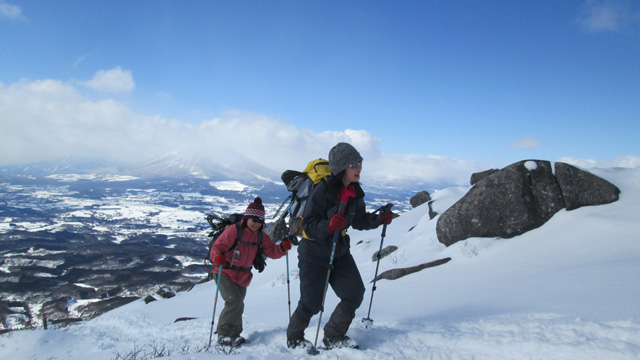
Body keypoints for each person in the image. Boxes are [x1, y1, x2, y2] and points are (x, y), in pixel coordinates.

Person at [286, 142, 393, 350]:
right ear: (342, 167)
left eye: (360, 163)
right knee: (311, 303)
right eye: (354, 164)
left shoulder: (355, 192)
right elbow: (307, 224)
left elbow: (359, 220)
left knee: (354, 292)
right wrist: (328, 226)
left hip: (340, 250)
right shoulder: (322, 190)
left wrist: (379, 219)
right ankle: (294, 338)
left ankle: (333, 336)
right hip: (314, 252)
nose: (359, 168)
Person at [210, 197, 292, 347]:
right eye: (253, 219)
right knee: (234, 302)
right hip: (224, 272)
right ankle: (223, 335)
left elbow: (272, 251)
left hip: (243, 276)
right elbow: (217, 247)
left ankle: (234, 335)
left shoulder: (260, 236)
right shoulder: (234, 230)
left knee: (238, 304)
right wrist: (218, 257)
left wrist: (282, 248)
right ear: (247, 218)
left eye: (259, 220)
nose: (256, 223)